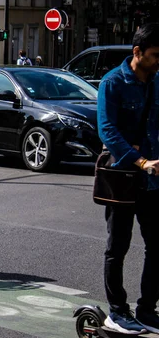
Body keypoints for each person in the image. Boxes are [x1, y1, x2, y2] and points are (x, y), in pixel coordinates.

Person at [97, 23, 159, 335]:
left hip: (152, 179)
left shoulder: (156, 82)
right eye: (154, 55)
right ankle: (117, 312)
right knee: (117, 246)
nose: (158, 61)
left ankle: (147, 309)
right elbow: (107, 130)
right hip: (123, 175)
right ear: (137, 53)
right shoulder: (113, 82)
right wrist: (141, 159)